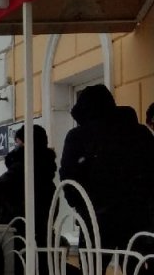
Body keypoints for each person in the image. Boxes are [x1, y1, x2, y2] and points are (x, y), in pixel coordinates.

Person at [60, 85, 154, 252]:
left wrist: (79, 204)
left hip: (95, 219)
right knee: (138, 272)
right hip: (136, 219)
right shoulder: (139, 133)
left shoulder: (79, 137)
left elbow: (68, 176)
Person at [0, 124, 58, 247]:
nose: (16, 146)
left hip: (19, 234)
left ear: (25, 143)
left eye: (17, 142)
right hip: (40, 233)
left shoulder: (23, 166)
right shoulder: (44, 167)